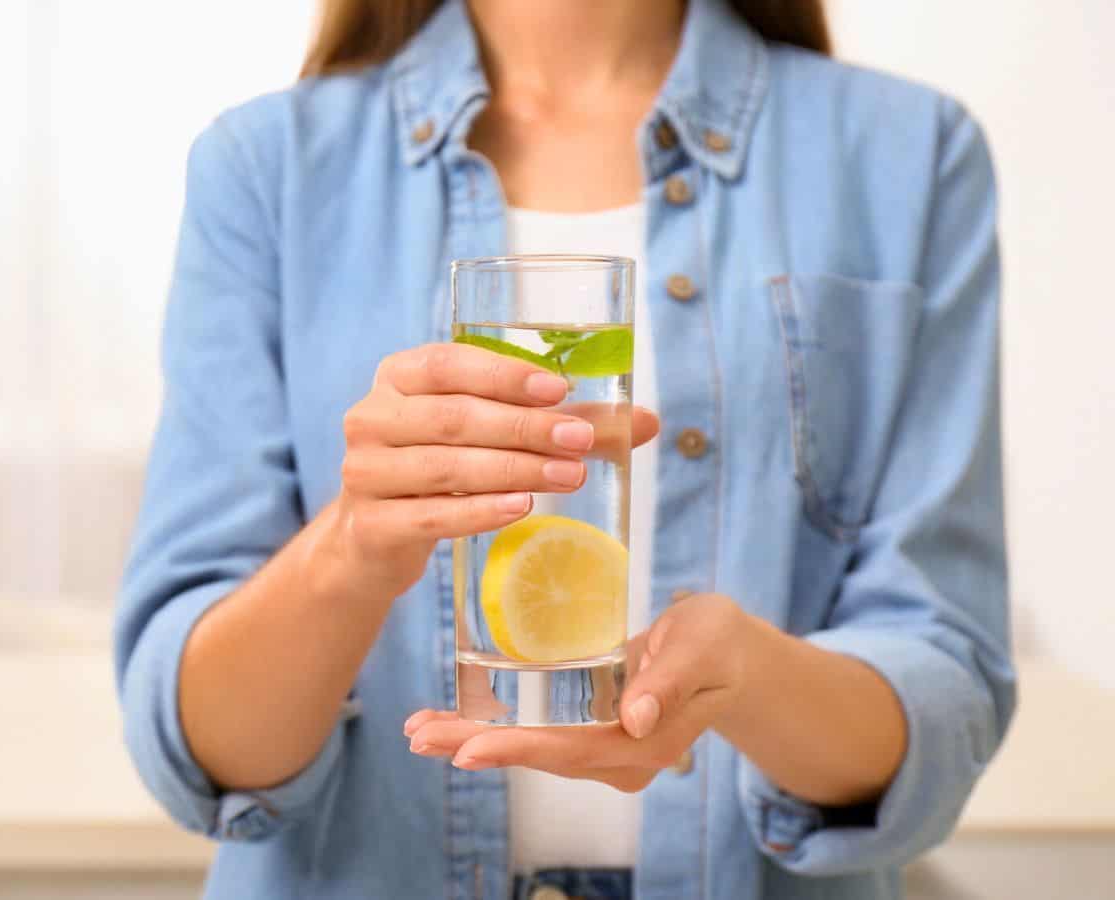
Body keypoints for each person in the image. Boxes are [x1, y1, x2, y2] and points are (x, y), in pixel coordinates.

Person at [115, 0, 1013, 897]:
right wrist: (348, 551)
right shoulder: (267, 168)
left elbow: (945, 687)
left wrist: (747, 678)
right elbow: (201, 754)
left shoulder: (910, 154)